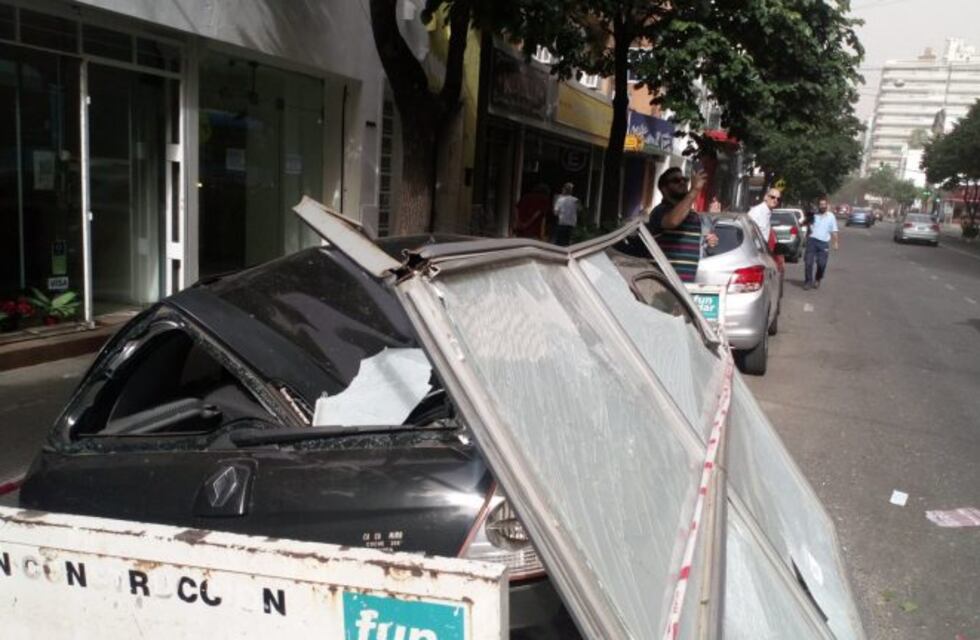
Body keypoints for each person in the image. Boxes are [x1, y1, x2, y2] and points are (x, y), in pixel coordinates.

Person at [647, 167, 718, 282]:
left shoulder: (693, 215)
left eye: (684, 179)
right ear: (664, 189)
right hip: (663, 285)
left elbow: (697, 247)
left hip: (685, 286)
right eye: (676, 180)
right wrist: (694, 190)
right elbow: (673, 221)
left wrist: (708, 241)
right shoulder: (660, 211)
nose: (682, 182)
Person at [804, 197, 839, 290]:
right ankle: (808, 281)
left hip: (823, 243)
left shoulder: (831, 216)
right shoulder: (813, 215)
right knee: (808, 263)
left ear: (826, 205)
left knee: (822, 264)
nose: (822, 206)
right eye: (821, 204)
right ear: (818, 205)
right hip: (812, 241)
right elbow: (804, 224)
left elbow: (834, 230)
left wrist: (835, 242)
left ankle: (818, 279)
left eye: (824, 204)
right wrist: (807, 219)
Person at [552, 182, 579, 246]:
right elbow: (579, 210)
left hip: (562, 223)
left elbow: (555, 213)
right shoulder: (576, 200)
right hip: (571, 224)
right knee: (567, 242)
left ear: (564, 190)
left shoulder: (560, 200)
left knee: (559, 243)